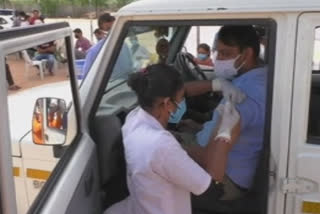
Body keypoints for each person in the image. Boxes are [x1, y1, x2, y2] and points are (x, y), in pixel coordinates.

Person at [105, 64, 242, 214]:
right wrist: (225, 133)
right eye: (181, 99)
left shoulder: (134, 118)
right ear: (167, 103)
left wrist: (218, 84)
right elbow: (213, 189)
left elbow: (184, 90)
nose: (183, 102)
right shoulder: (161, 145)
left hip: (140, 204)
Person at [188, 25, 267, 212]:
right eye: (217, 52)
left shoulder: (244, 95)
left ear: (246, 54)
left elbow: (212, 158)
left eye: (225, 53)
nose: (218, 59)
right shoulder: (255, 76)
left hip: (225, 179)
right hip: (230, 164)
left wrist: (174, 147)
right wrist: (198, 127)